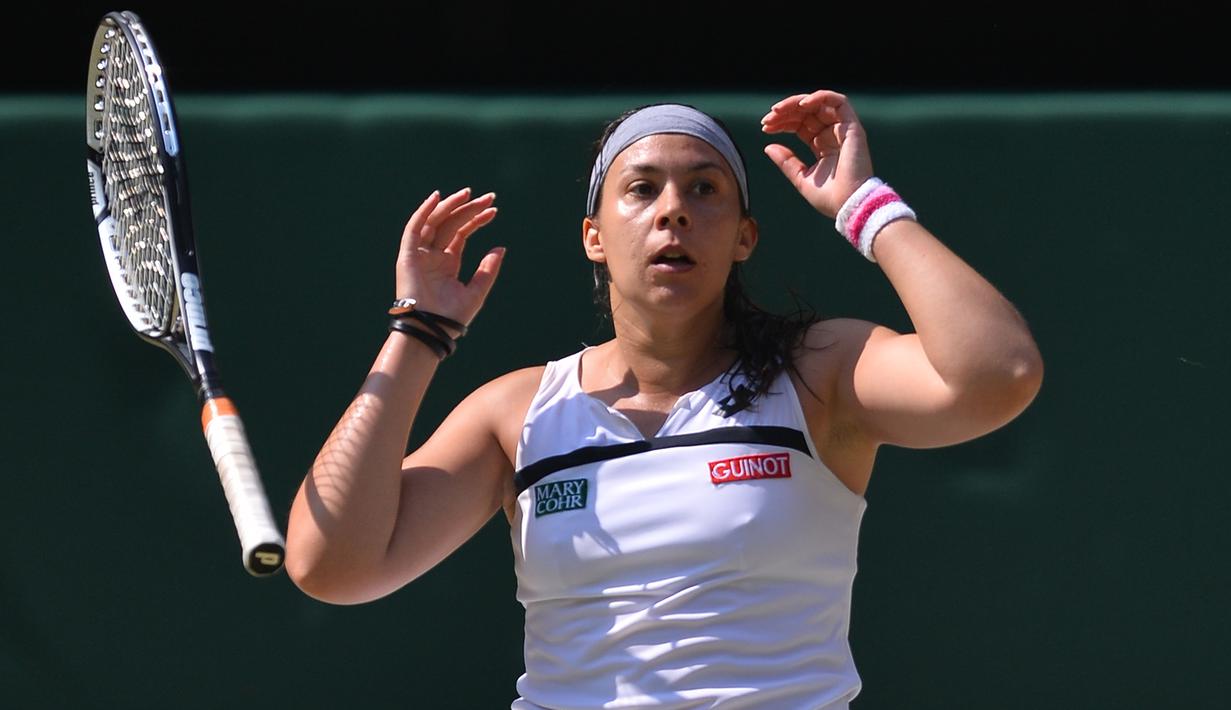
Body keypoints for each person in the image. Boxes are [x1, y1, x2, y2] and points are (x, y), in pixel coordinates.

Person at [286, 90, 1044, 708]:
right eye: (641, 189)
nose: (672, 210)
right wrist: (419, 332)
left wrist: (865, 208)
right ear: (593, 236)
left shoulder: (819, 371)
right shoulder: (514, 412)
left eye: (704, 190)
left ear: (744, 236)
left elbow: (998, 374)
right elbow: (332, 565)